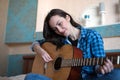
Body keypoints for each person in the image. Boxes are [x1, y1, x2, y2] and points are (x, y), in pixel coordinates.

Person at [31, 8, 120, 80]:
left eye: (60, 23)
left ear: (67, 18)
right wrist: (40, 51)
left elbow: (99, 63)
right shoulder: (58, 40)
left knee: (117, 75)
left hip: (89, 78)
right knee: (30, 77)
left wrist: (100, 69)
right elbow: (36, 43)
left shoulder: (92, 35)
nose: (59, 30)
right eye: (55, 29)